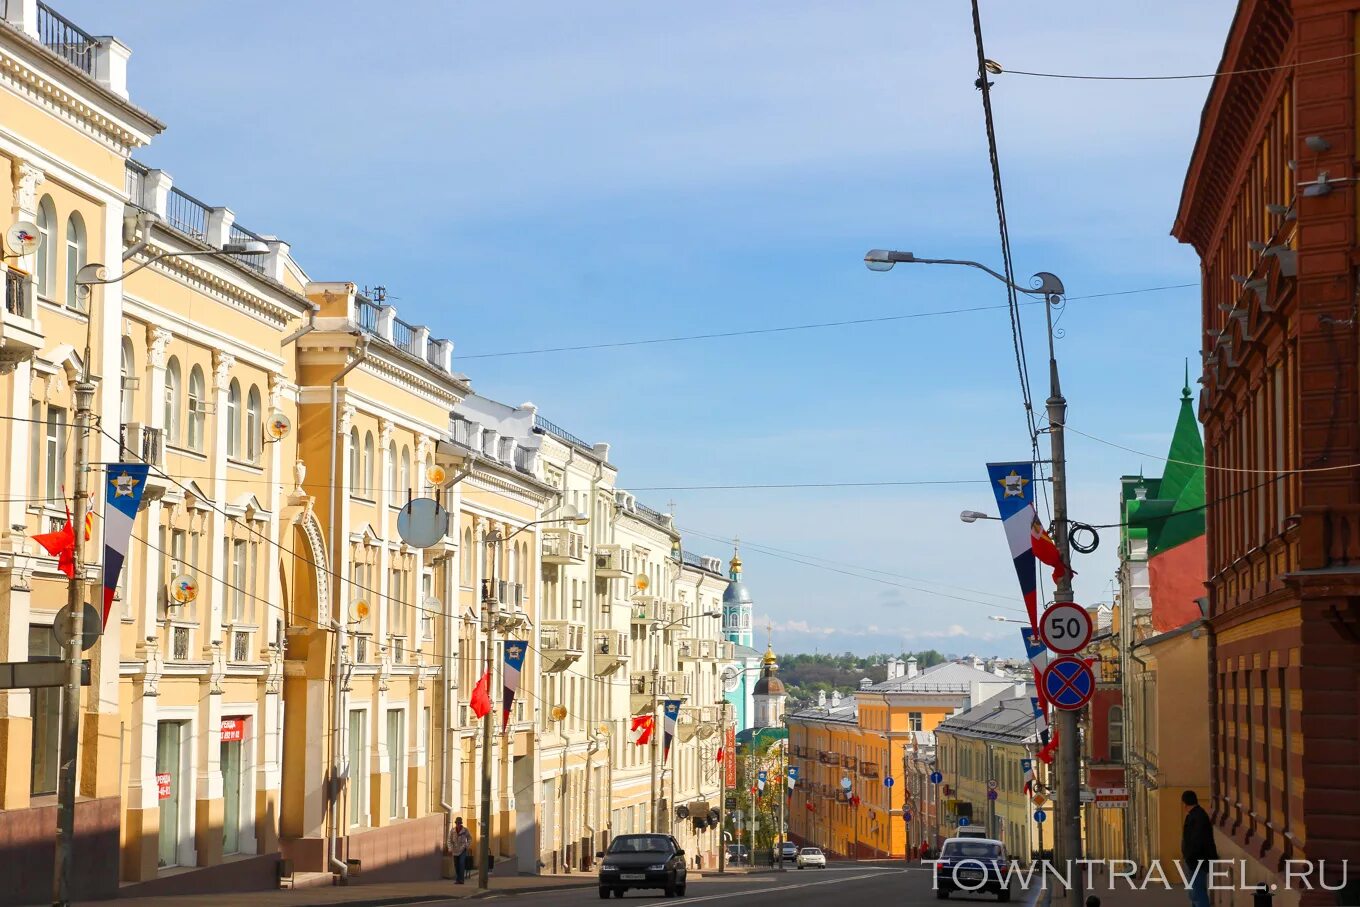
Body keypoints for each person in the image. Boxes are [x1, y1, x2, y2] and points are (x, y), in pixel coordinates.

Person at [1181, 790, 1217, 907]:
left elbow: (1196, 841)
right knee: (1195, 892)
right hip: (1197, 861)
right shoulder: (1197, 815)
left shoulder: (1197, 817)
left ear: (1185, 804)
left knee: (1197, 893)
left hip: (1197, 862)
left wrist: (1189, 857)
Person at [448, 816, 472, 885]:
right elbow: (449, 840)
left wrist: (466, 846)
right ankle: (458, 879)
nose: (458, 824)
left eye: (459, 823)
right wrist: (450, 848)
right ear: (456, 823)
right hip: (455, 850)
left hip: (462, 849)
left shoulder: (465, 830)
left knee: (461, 864)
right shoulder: (452, 831)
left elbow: (470, 838)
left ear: (461, 823)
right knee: (456, 865)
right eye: (457, 823)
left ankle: (461, 880)